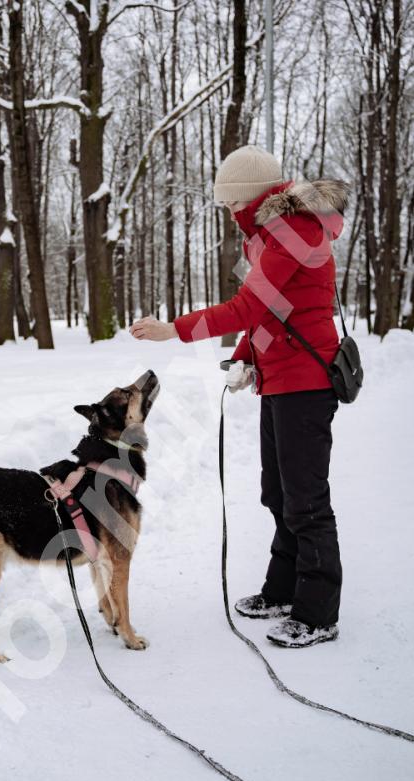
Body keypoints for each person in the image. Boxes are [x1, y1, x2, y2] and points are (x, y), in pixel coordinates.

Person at [130, 144, 349, 648]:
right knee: (279, 494)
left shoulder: (293, 232)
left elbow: (247, 305)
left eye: (232, 205)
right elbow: (271, 312)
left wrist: (175, 330)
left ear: (253, 197)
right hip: (283, 380)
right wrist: (249, 357)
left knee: (306, 501)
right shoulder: (271, 236)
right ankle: (283, 589)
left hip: (307, 384)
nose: (229, 215)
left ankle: (318, 614)